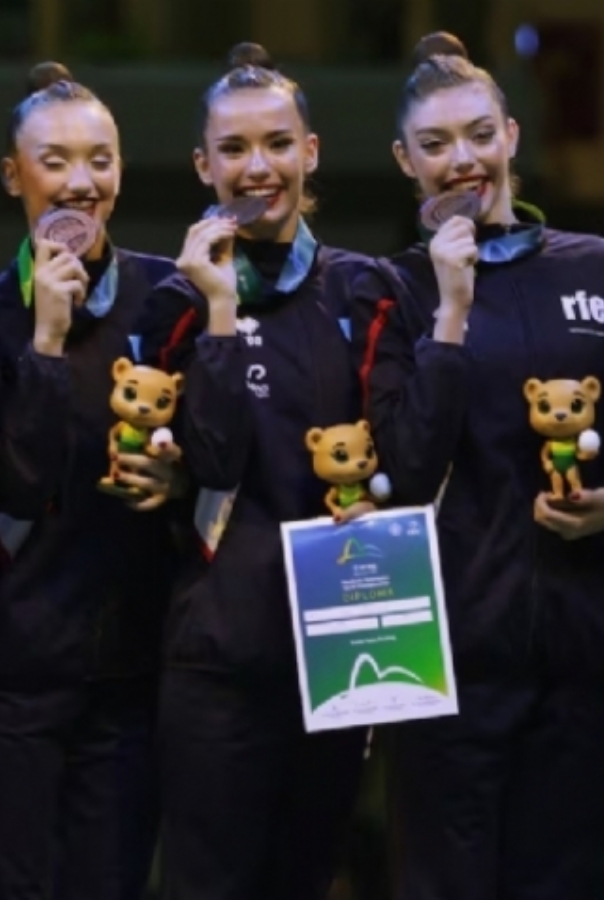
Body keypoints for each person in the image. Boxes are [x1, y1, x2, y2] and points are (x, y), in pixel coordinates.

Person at [353, 31, 604, 900]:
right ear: (406, 161)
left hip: (582, 655)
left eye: (479, 134)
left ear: (511, 137)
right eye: (435, 143)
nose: (462, 160)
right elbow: (406, 470)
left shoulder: (594, 267)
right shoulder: (392, 289)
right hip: (444, 663)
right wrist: (451, 313)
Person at [136, 42, 369, 900]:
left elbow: (409, 457)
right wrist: (222, 308)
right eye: (233, 149)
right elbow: (213, 459)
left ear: (310, 152)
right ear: (204, 165)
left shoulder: (366, 291)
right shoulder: (177, 301)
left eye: (277, 143)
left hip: (343, 647)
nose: (257, 167)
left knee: (306, 879)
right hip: (218, 653)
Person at [0, 62, 182, 900]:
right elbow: (6, 487)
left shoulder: (170, 299)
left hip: (132, 676)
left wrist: (181, 474)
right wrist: (46, 341)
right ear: (13, 176)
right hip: (8, 675)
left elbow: (225, 455)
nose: (81, 183)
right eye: (55, 162)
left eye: (100, 160)